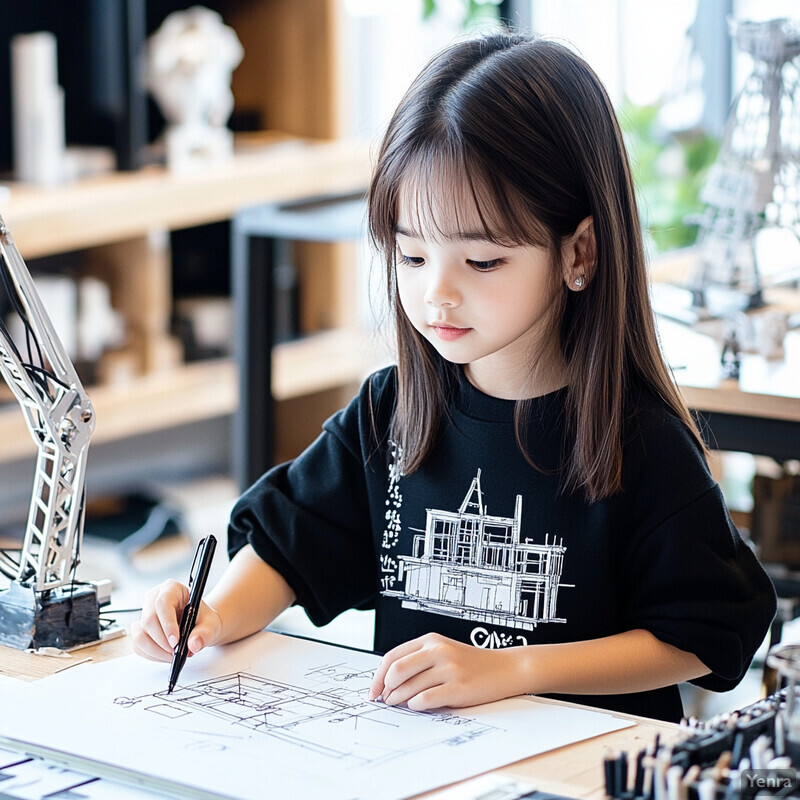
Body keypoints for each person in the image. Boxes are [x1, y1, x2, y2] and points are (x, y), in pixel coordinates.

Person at [133, 32, 776, 723]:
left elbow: (704, 632)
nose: (437, 294)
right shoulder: (392, 412)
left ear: (579, 252)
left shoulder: (637, 440)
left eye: (482, 262)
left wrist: (513, 670)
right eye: (412, 256)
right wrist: (211, 616)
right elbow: (289, 546)